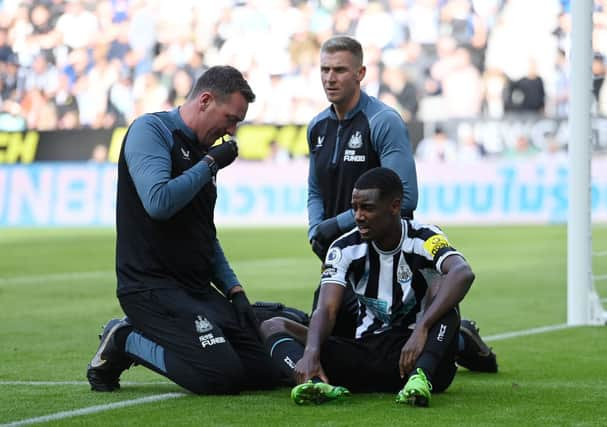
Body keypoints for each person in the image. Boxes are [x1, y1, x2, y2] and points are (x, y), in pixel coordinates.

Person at [306, 35, 496, 372]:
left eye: (339, 70)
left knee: (397, 333)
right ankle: (455, 336)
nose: (330, 78)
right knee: (327, 340)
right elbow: (315, 189)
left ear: (360, 73)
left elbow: (406, 197)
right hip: (344, 254)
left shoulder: (383, 121)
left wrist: (334, 227)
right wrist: (315, 229)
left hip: (385, 256)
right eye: (324, 69)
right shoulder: (317, 126)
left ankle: (460, 339)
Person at [86, 65, 280, 395]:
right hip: (151, 287)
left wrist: (234, 289)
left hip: (196, 289)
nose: (231, 131)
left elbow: (204, 232)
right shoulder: (152, 130)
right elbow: (159, 202)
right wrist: (210, 165)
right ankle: (125, 338)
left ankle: (156, 335)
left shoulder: (206, 152)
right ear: (205, 100)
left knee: (266, 370)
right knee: (220, 377)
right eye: (231, 118)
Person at [261, 167, 475, 407]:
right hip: (367, 351)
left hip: (419, 352)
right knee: (273, 325)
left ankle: (420, 379)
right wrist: (311, 351)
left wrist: (421, 329)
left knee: (444, 285)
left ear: (394, 207)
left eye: (368, 208)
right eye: (355, 208)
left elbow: (462, 272)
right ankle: (310, 383)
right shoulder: (343, 248)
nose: (358, 216)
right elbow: (326, 309)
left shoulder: (425, 237)